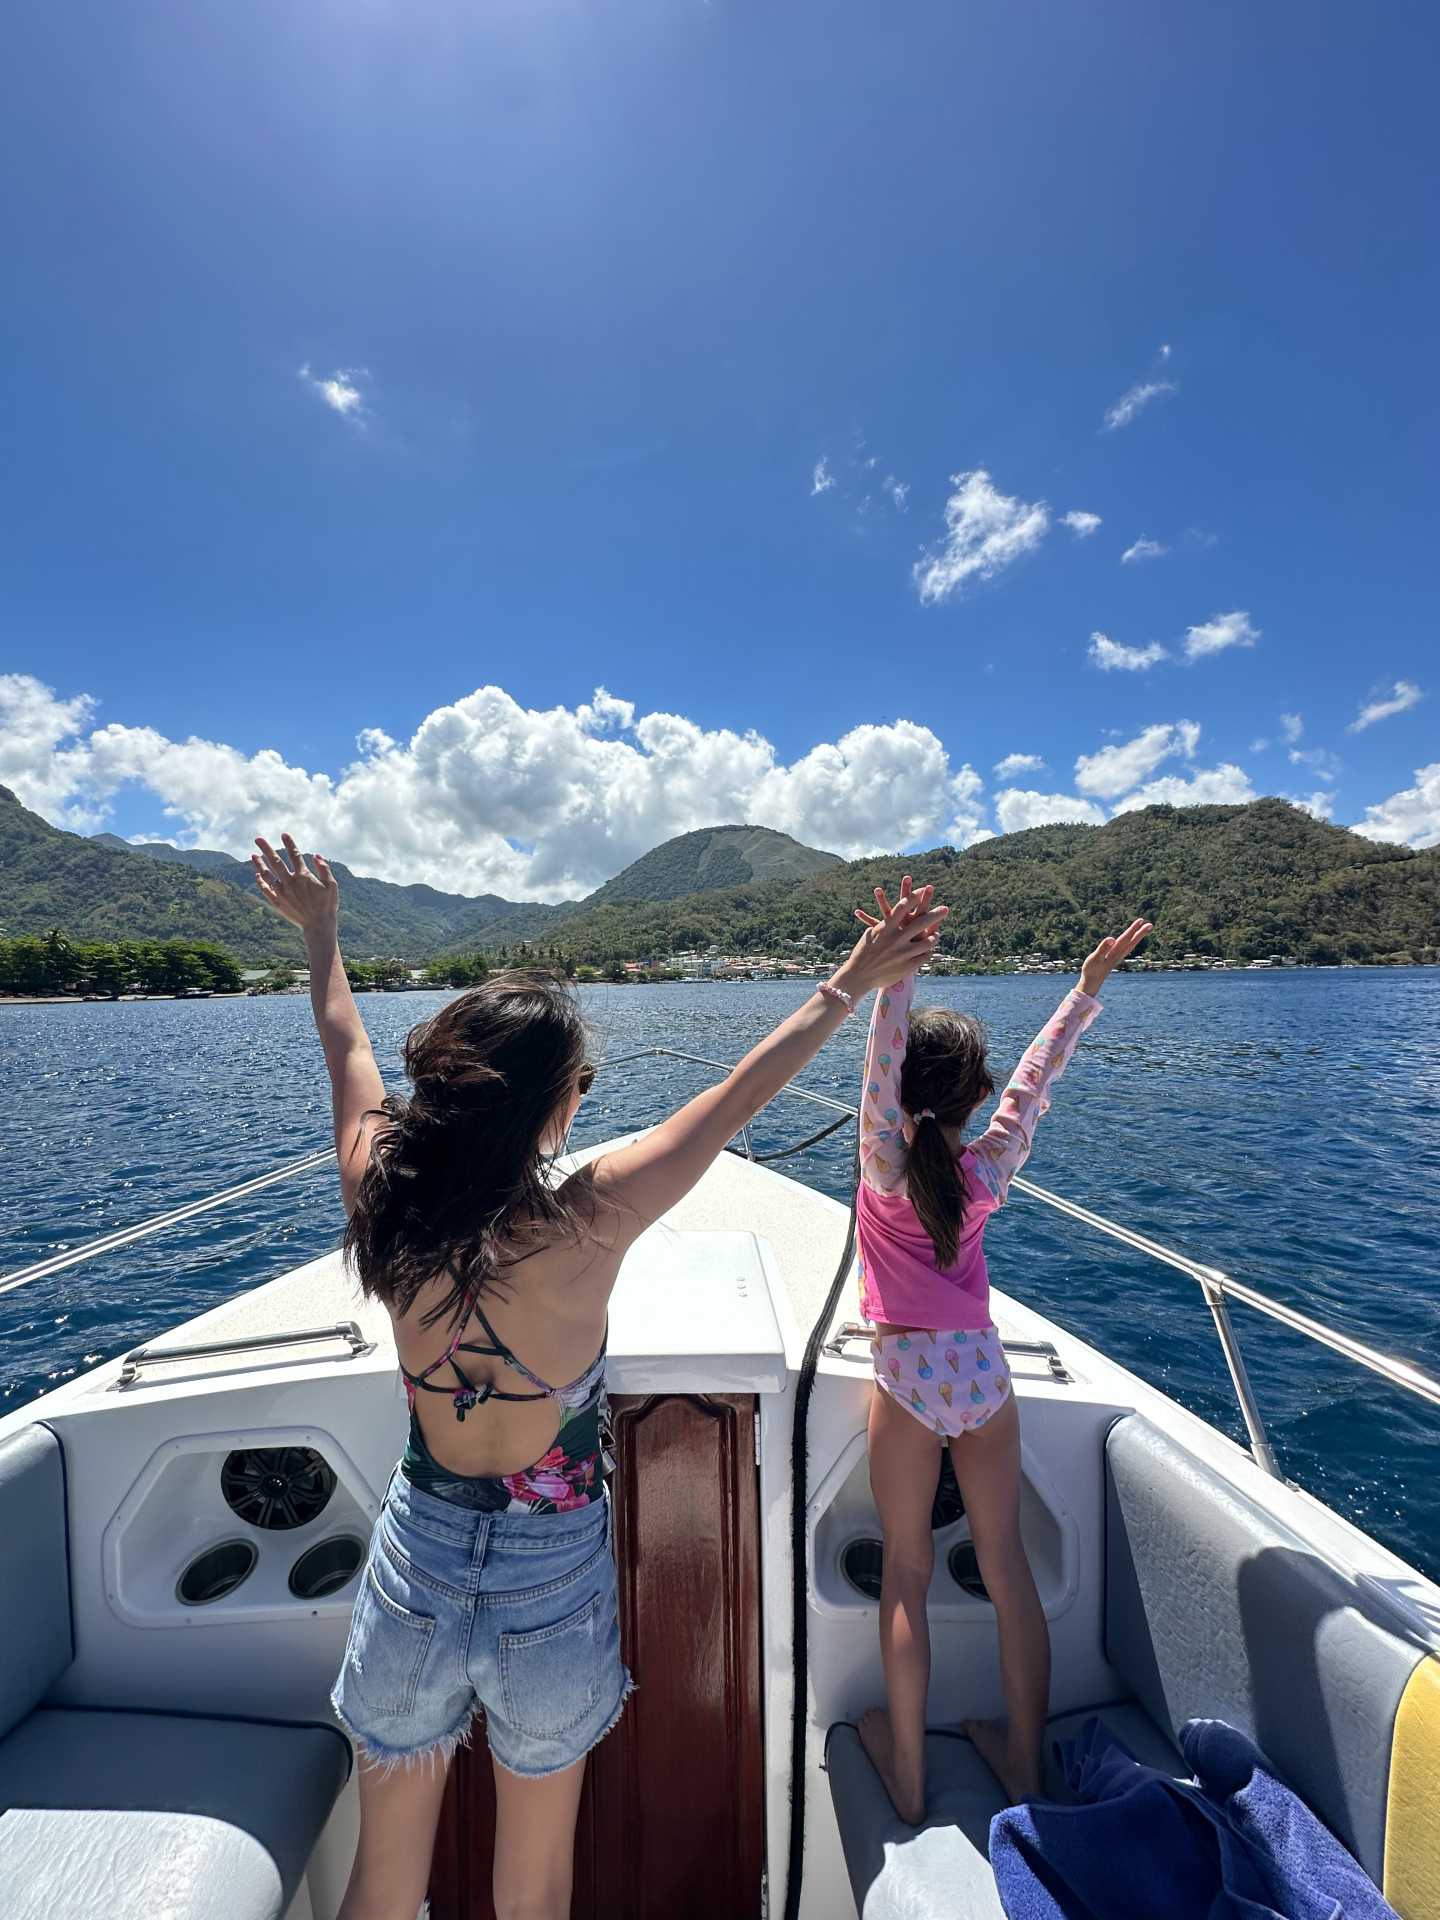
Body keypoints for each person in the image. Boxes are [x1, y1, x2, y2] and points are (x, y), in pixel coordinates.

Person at [250, 832, 948, 1920]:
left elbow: (344, 1043)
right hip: (549, 1583)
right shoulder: (589, 1222)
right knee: (533, 1891)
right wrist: (853, 981)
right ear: (557, 1109)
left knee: (383, 1886)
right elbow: (737, 1097)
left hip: (416, 1565)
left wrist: (323, 931)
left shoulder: (379, 1189)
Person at [851, 882, 1151, 1819]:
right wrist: (1085, 987)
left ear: (900, 1097)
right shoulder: (985, 1169)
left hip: (904, 1373)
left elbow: (878, 1061)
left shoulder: (881, 1163)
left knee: (905, 1569)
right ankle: (1024, 1758)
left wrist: (898, 974)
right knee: (1008, 1566)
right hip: (983, 1371)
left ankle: (905, 1769)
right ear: (975, 1098)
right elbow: (1036, 1079)